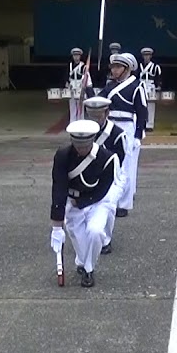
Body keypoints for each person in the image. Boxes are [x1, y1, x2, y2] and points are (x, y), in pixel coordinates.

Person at [50, 119, 120, 288]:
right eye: (77, 146)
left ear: (92, 141)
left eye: (84, 146)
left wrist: (81, 202)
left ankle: (89, 270)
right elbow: (59, 188)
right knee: (81, 244)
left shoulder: (108, 159)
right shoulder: (63, 155)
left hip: (98, 202)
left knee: (95, 232)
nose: (81, 150)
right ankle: (83, 262)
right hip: (73, 204)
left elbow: (103, 190)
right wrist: (56, 228)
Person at [101, 52, 147, 217]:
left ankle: (124, 203)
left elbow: (142, 112)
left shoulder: (136, 86)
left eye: (118, 67)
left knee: (126, 165)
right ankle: (110, 198)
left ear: (126, 69)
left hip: (127, 127)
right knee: (110, 163)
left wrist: (137, 135)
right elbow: (98, 102)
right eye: (113, 66)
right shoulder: (109, 86)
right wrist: (89, 86)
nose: (114, 70)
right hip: (111, 126)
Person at [83, 95, 127, 253]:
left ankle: (105, 239)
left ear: (107, 113)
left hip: (112, 177)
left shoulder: (117, 134)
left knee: (108, 205)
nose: (94, 119)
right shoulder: (83, 132)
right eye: (91, 115)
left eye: (98, 115)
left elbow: (119, 162)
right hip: (88, 176)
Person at [138, 48, 162, 131]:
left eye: (148, 55)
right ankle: (142, 123)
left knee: (151, 106)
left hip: (151, 86)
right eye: (145, 55)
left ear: (151, 56)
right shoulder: (139, 66)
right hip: (141, 86)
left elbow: (158, 77)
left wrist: (158, 86)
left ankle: (150, 125)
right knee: (140, 105)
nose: (146, 57)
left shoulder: (155, 66)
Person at [66, 48, 90, 123]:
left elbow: (86, 78)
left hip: (80, 89)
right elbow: (66, 77)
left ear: (80, 56)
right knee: (72, 108)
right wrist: (66, 83)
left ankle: (80, 122)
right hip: (72, 89)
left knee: (80, 108)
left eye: (77, 55)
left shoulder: (83, 66)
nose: (76, 57)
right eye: (74, 55)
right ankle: (72, 123)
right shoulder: (69, 65)